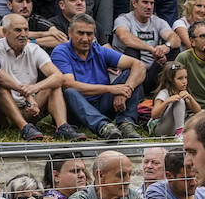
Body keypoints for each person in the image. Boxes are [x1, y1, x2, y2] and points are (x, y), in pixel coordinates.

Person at [0, 13, 85, 141]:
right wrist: (27, 93)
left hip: (29, 108)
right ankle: (25, 128)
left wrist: (34, 88)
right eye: (17, 30)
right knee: (0, 88)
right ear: (5, 32)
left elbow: (58, 76)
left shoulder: (34, 49)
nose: (23, 34)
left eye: (26, 30)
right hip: (2, 114)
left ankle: (62, 128)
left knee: (53, 85)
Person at [53, 12, 147, 140]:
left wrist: (125, 90)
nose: (85, 39)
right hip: (76, 109)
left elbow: (139, 66)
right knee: (70, 91)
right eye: (80, 33)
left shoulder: (99, 49)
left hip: (102, 103)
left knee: (132, 74)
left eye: (89, 34)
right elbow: (69, 84)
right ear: (70, 33)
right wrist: (111, 89)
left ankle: (125, 124)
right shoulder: (61, 51)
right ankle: (103, 127)